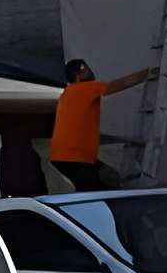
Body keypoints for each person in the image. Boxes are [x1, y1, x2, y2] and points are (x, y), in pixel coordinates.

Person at [49, 57, 155, 190]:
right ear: (77, 75)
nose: (89, 70)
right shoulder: (87, 88)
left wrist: (124, 140)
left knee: (100, 182)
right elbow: (120, 84)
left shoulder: (67, 94)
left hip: (62, 157)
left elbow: (82, 130)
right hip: (76, 158)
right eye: (84, 68)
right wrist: (147, 73)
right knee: (97, 190)